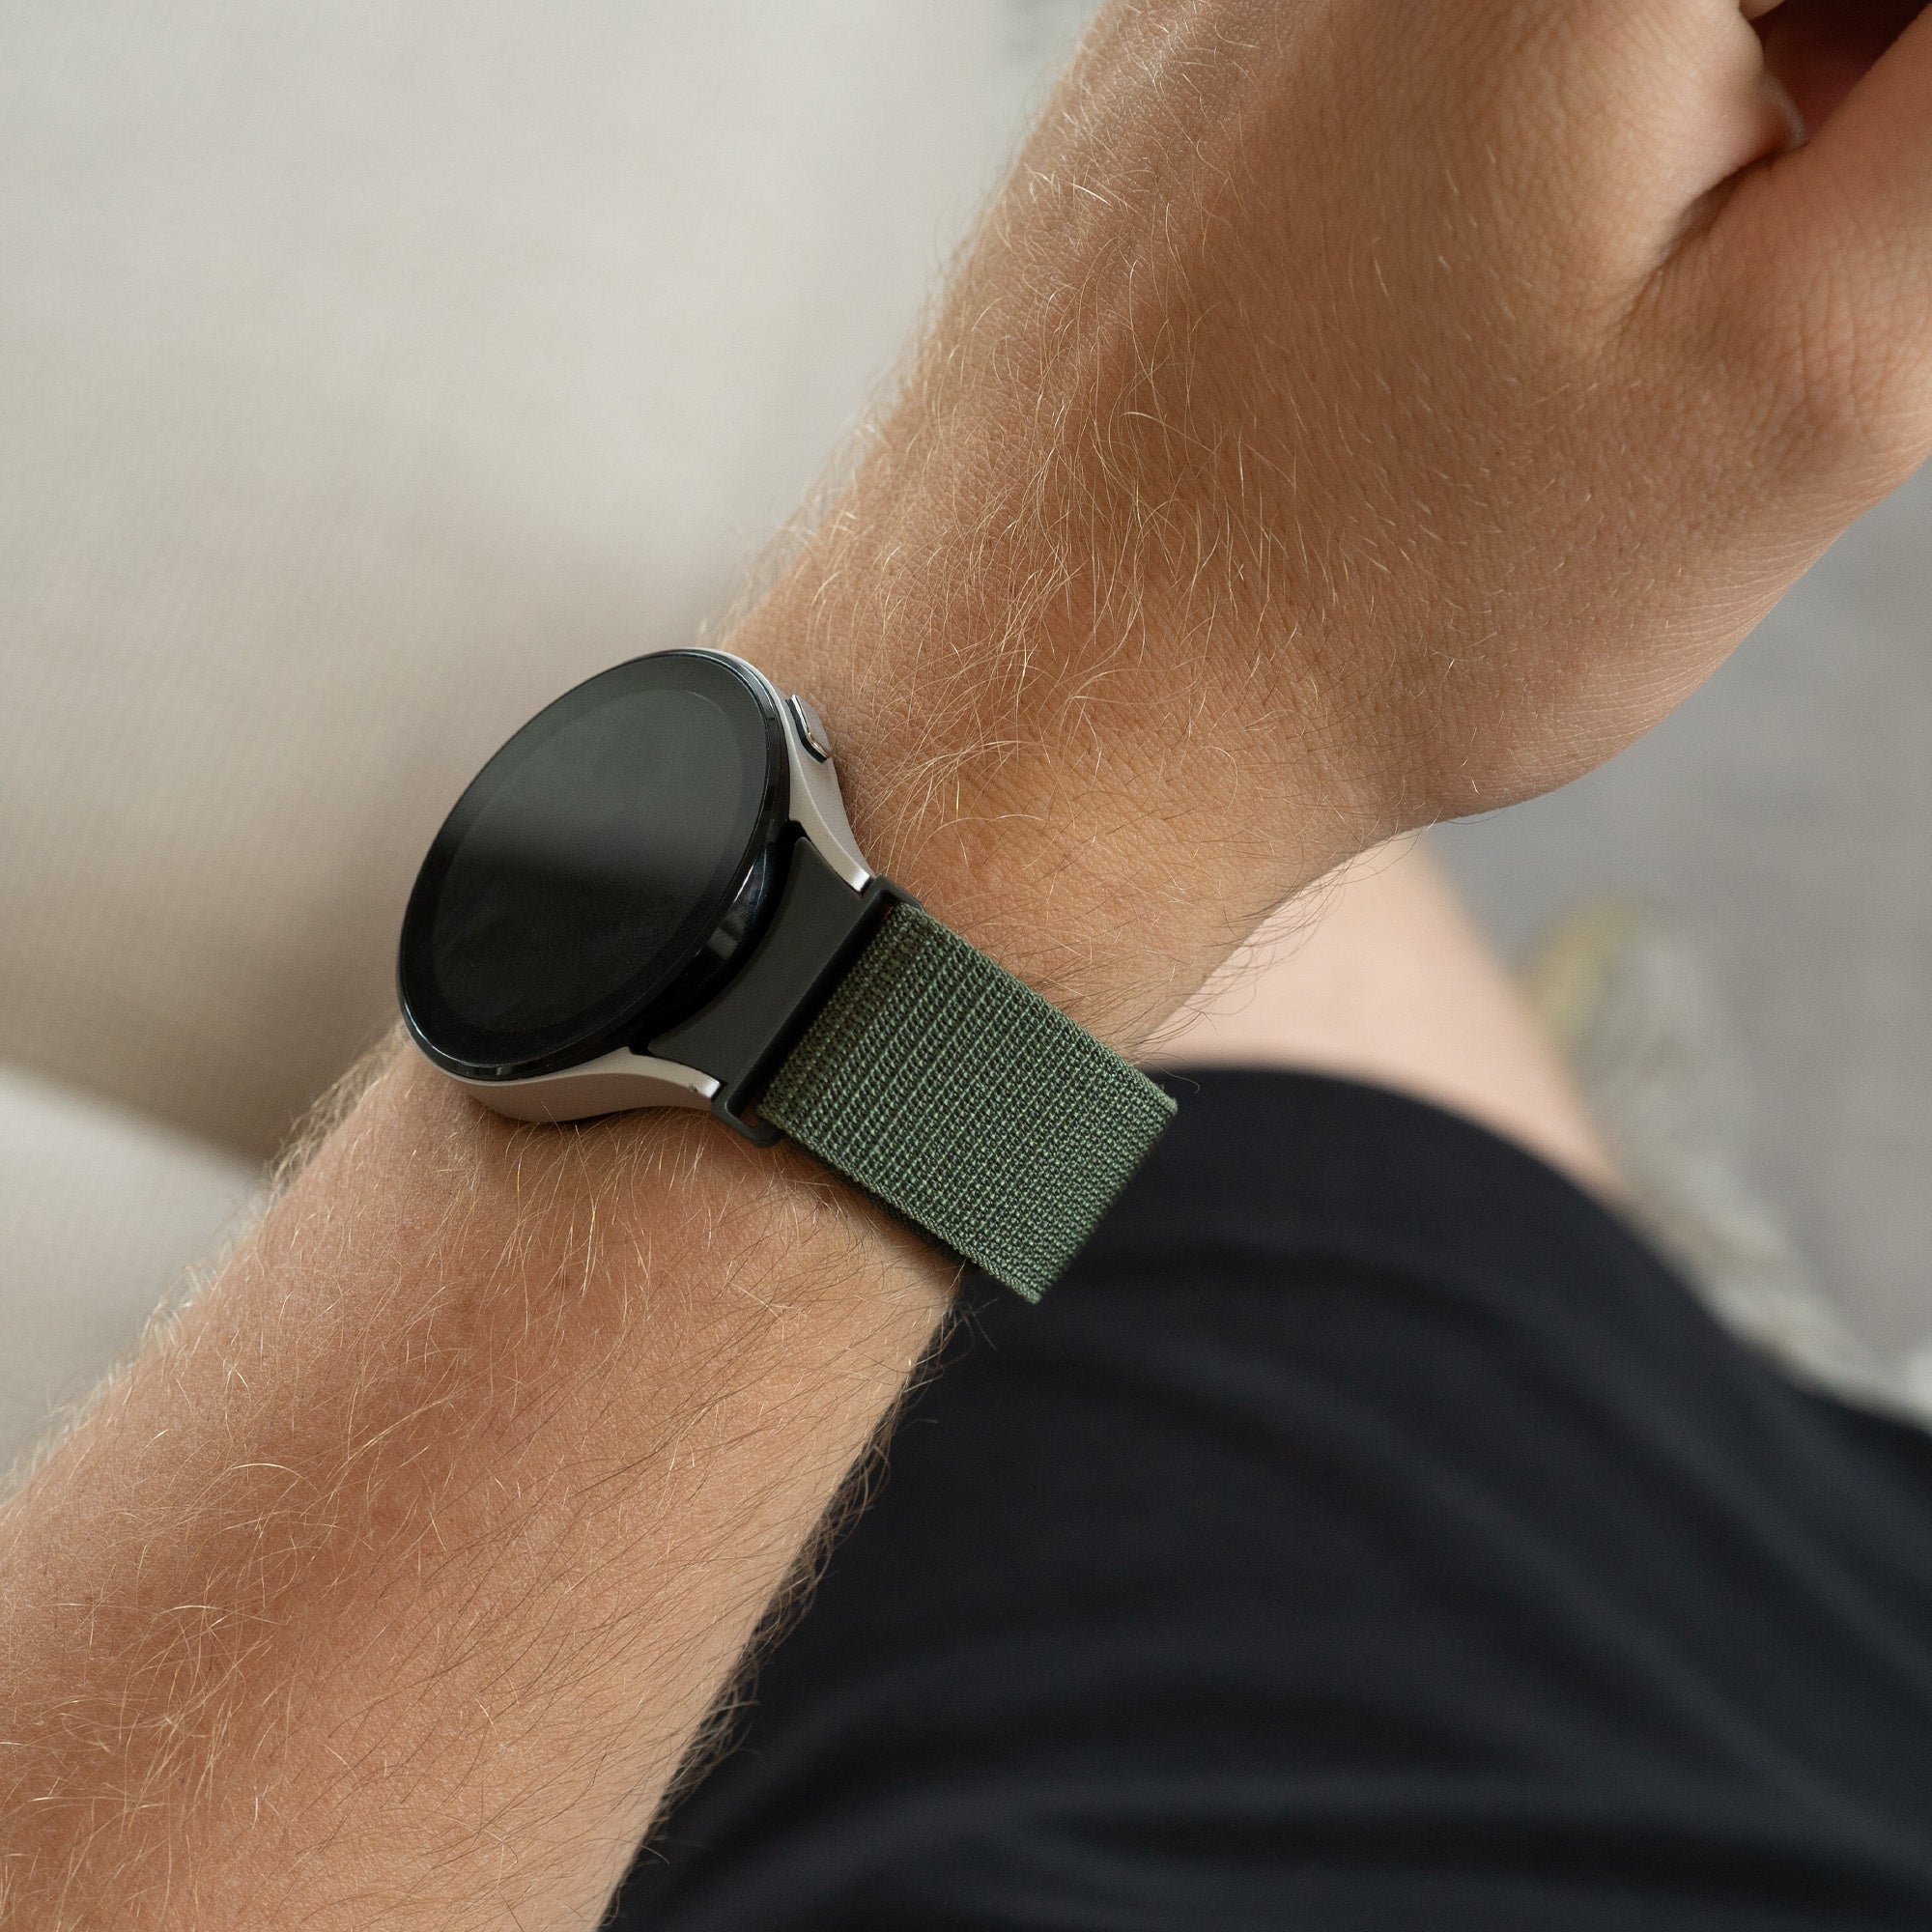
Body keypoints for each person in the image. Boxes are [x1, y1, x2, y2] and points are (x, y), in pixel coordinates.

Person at [6, 1, 1932, 1924]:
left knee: (1220, 1166)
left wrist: (1142, 638)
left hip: (1112, 1711)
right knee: (1462, 1278)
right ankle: (1692, 1337)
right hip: (1706, 1601)